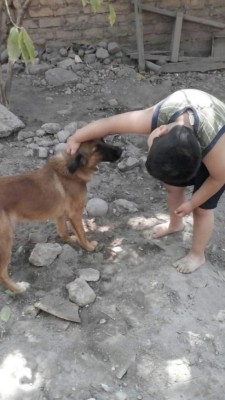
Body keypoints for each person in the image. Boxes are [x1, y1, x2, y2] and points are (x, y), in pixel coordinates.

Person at [67, 89, 225, 274]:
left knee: (202, 210)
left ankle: (197, 255)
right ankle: (175, 224)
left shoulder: (216, 152)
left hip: (217, 144)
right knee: (172, 187)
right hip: (192, 112)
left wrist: (192, 203)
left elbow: (218, 179)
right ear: (160, 130)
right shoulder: (156, 117)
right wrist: (76, 137)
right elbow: (109, 125)